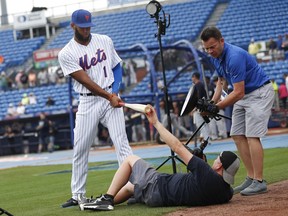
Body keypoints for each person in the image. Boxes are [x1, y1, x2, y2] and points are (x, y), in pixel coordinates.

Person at [80, 105, 240, 211]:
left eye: (218, 159)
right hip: (159, 197)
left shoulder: (206, 173)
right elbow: (201, 181)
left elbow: (177, 147)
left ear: (220, 166)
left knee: (130, 160)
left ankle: (106, 199)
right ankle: (101, 202)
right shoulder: (226, 192)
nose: (215, 161)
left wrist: (156, 123)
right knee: (130, 187)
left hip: (158, 185)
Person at [58, 9, 133, 207]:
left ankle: (133, 188)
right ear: (72, 25)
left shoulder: (104, 40)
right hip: (88, 100)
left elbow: (117, 66)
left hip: (111, 96)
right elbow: (86, 81)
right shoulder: (66, 53)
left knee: (122, 143)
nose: (86, 30)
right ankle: (78, 194)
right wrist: (109, 96)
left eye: (88, 26)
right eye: (82, 27)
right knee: (81, 148)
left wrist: (115, 92)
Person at [200, 26, 274, 196]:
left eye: (213, 47)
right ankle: (250, 177)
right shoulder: (215, 57)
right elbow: (221, 82)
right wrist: (212, 102)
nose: (210, 51)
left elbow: (238, 91)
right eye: (207, 48)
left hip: (258, 92)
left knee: (252, 135)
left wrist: (217, 107)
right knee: (237, 134)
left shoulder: (234, 56)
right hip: (243, 94)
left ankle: (259, 181)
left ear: (221, 41)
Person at [191, 72, 210, 143]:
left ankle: (206, 139)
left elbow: (198, 97)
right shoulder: (201, 84)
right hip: (203, 106)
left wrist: (195, 108)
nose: (192, 79)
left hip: (200, 107)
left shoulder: (198, 85)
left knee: (200, 124)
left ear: (194, 77)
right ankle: (207, 138)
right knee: (204, 123)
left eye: (192, 77)